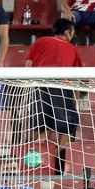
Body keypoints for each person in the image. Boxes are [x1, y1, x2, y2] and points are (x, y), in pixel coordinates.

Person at [25, 19, 83, 173]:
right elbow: (75, 79)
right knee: (66, 130)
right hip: (60, 87)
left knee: (43, 129)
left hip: (38, 88)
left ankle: (38, 169)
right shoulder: (72, 49)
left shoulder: (39, 42)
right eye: (72, 33)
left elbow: (28, 66)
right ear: (67, 33)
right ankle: (60, 169)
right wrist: (75, 102)